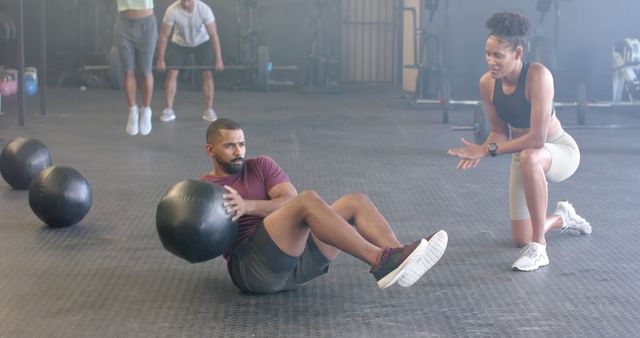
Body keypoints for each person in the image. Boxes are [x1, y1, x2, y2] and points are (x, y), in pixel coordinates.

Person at [200, 118, 448, 294]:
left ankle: (400, 259)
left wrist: (248, 206)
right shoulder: (205, 190)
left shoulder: (261, 166)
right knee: (307, 201)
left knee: (355, 201)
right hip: (255, 272)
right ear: (210, 150)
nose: (238, 151)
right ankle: (379, 260)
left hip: (298, 263)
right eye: (230, 145)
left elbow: (289, 201)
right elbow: (200, 242)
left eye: (242, 144)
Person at [447, 12, 591, 272]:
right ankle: (562, 218)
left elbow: (537, 138)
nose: (491, 61)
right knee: (520, 238)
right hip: (525, 155)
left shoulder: (538, 76)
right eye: (488, 54)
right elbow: (500, 132)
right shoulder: (487, 83)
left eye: (498, 56)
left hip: (558, 150)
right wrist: (478, 151)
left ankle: (539, 249)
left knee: (529, 156)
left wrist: (488, 149)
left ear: (518, 53)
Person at [156, 0, 224, 123]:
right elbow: (164, 36)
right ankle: (169, 109)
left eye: (188, 1)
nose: (186, 3)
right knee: (172, 73)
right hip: (179, 43)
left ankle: (209, 109)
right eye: (183, 1)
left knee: (207, 73)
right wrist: (160, 59)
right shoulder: (172, 10)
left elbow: (213, 35)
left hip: (202, 42)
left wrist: (219, 59)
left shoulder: (204, 10)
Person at [114, 0, 157, 136]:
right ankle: (132, 110)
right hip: (124, 23)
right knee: (128, 71)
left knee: (146, 71)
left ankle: (146, 109)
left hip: (146, 22)